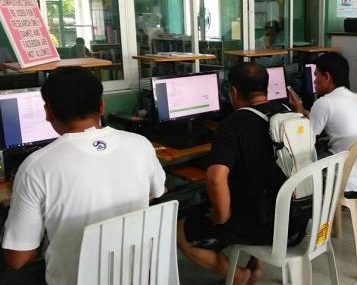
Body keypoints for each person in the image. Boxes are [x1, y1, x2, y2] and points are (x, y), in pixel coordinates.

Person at [1, 67, 166, 285]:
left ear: (48, 111)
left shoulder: (36, 167)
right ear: (101, 105)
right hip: (140, 275)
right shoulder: (141, 145)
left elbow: (18, 258)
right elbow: (157, 192)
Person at [177, 63, 291, 285]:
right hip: (294, 219)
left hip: (263, 225)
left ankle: (239, 275)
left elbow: (215, 178)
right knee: (257, 185)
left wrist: (222, 217)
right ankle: (255, 268)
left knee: (181, 231)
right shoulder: (288, 114)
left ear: (234, 92)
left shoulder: (232, 125)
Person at [288, 52, 357, 196]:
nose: (314, 81)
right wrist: (304, 111)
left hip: (344, 182)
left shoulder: (324, 103)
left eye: (316, 76)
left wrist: (298, 112)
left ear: (327, 77)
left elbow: (307, 139)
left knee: (297, 157)